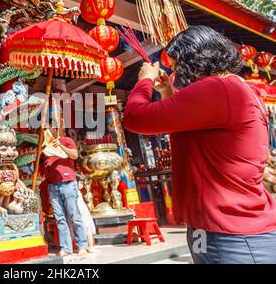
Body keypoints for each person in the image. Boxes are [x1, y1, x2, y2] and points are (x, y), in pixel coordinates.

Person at [123, 25, 276, 264]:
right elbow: (186, 130)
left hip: (230, 233)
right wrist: (166, 93)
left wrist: (144, 81)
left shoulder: (217, 88)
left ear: (192, 60)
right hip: (215, 228)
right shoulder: (236, 88)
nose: (174, 73)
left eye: (175, 67)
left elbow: (135, 118)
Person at [42, 129, 88, 256]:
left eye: (49, 128)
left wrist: (60, 146)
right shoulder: (45, 145)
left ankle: (82, 245)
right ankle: (66, 248)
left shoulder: (66, 140)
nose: (47, 131)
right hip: (52, 185)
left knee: (74, 216)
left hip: (68, 183)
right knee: (60, 218)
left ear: (55, 130)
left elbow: (74, 155)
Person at [75, 175, 98, 253]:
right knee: (86, 226)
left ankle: (90, 246)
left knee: (87, 226)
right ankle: (88, 246)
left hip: (81, 210)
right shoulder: (75, 191)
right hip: (80, 210)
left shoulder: (77, 191)